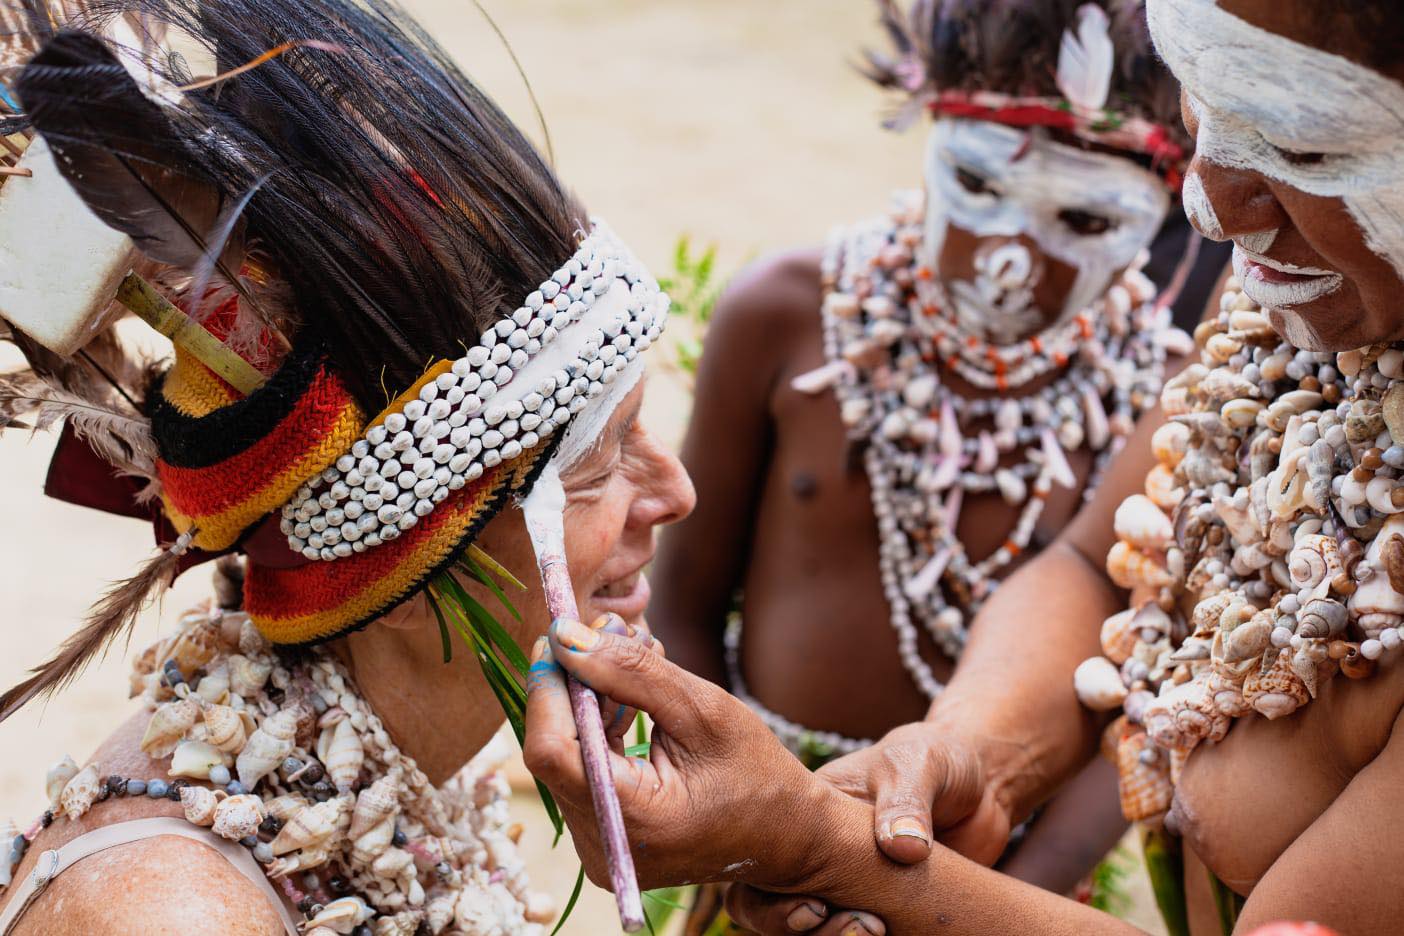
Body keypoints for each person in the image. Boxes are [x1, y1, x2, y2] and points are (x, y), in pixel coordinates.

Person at [526, 0, 1404, 932]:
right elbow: (1104, 572)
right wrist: (959, 760)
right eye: (1208, 114)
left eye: (1305, 148)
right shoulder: (1303, 309)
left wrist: (827, 847)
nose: (1211, 208)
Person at [0, 1, 692, 933]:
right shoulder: (172, 914)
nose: (678, 494)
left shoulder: (426, 770)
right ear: (407, 569)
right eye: (598, 461)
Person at [651, 0, 1224, 894]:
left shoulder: (1170, 400)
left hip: (1009, 867)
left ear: (1163, 212)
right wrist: (740, 815)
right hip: (762, 844)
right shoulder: (789, 317)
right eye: (981, 186)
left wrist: (1005, 898)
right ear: (933, 136)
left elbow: (1145, 696)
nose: (1008, 259)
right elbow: (679, 602)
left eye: (1082, 221)